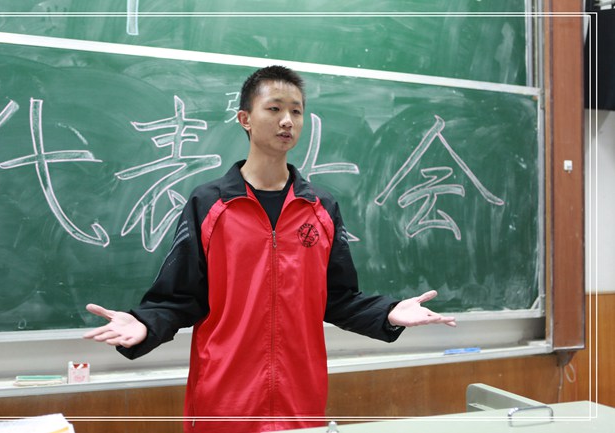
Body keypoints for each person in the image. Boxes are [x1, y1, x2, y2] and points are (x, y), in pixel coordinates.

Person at [84, 65, 456, 433]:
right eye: (274, 108)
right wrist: (145, 322)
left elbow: (337, 298)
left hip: (300, 402)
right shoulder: (209, 204)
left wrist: (389, 312)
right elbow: (181, 296)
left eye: (296, 111)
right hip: (225, 403)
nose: (287, 121)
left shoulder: (321, 207)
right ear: (245, 118)